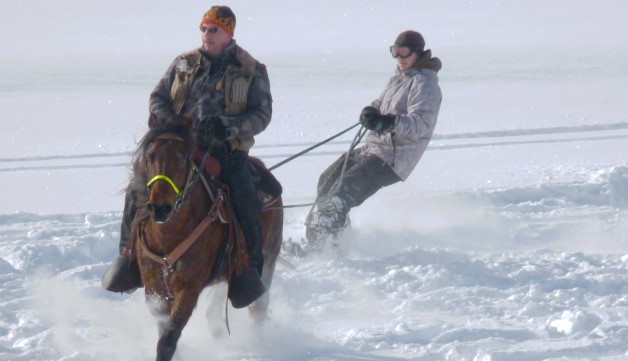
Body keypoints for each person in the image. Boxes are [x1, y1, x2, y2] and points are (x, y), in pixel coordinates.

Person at [102, 5, 273, 309]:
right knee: (137, 189)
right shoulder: (184, 63)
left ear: (228, 33)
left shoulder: (250, 68)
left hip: (225, 150)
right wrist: (172, 124)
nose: (207, 35)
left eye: (214, 30)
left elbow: (262, 114)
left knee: (246, 198)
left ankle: (247, 273)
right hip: (180, 147)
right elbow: (157, 97)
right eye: (204, 29)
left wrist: (227, 127)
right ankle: (129, 260)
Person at [304, 30, 442, 251]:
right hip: (374, 148)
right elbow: (381, 102)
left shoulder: (425, 84)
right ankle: (334, 240)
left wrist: (387, 122)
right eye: (395, 52)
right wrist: (372, 111)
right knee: (327, 181)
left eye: (404, 52)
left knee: (339, 196)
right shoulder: (399, 77)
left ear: (418, 53)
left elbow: (421, 123)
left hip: (393, 159)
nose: (400, 58)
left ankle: (321, 249)